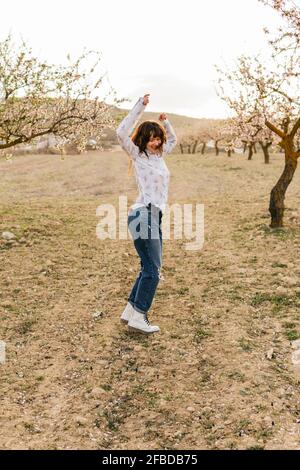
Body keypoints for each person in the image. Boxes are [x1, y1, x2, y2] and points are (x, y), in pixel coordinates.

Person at [116, 94, 177, 334]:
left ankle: (130, 312)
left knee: (148, 266)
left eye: (158, 138)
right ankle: (139, 317)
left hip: (154, 216)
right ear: (142, 140)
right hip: (143, 214)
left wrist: (166, 123)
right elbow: (121, 132)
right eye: (151, 139)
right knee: (153, 269)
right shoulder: (137, 155)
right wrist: (140, 107)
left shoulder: (159, 156)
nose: (156, 142)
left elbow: (173, 140)